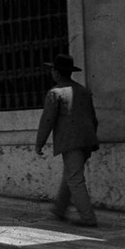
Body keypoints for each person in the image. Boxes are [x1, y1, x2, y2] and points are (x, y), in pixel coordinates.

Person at [35, 54, 100, 227]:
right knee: (71, 174)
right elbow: (94, 119)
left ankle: (88, 218)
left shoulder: (55, 93)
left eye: (52, 70)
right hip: (86, 141)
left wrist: (39, 143)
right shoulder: (83, 91)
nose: (52, 73)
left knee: (75, 179)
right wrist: (92, 141)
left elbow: (47, 121)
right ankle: (60, 209)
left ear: (56, 72)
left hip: (71, 142)